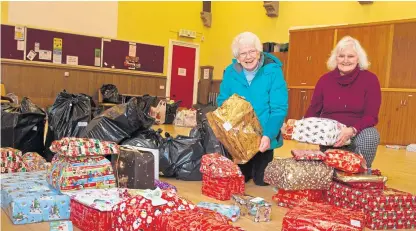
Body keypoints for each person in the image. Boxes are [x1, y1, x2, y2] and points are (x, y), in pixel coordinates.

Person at [217, 32, 288, 186]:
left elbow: (278, 108)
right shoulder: (230, 72)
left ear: (259, 52)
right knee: (239, 180)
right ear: (237, 56)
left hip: (264, 137)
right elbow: (223, 101)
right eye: (243, 53)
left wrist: (268, 135)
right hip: (240, 138)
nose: (248, 57)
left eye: (252, 51)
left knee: (261, 182)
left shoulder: (273, 71)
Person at [304, 35, 381, 171]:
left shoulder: (370, 79)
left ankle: (362, 171)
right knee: (332, 174)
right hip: (331, 133)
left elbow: (371, 116)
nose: (345, 60)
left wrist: (351, 130)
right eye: (341, 56)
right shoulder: (324, 80)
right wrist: (302, 127)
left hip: (358, 130)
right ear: (335, 58)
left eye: (350, 56)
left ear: (358, 58)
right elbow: (314, 109)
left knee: (371, 135)